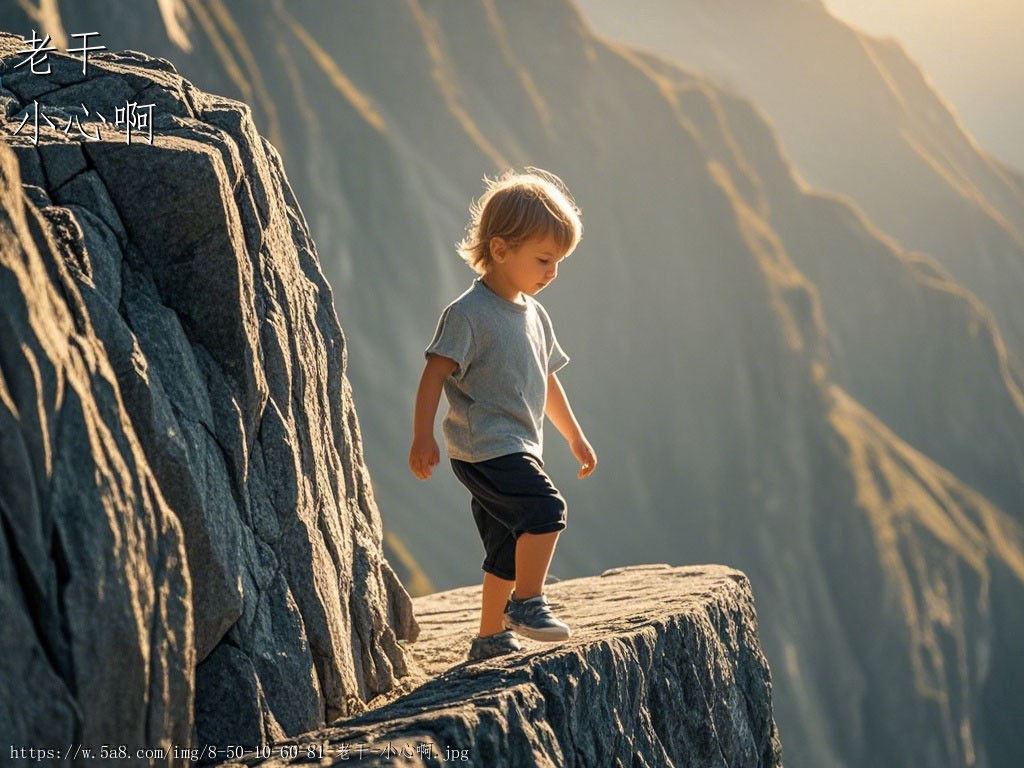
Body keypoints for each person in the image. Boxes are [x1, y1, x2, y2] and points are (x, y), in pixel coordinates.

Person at [409, 168, 597, 662]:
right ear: (499, 249)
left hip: (514, 445)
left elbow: (547, 378)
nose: (551, 272)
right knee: (545, 511)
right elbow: (435, 373)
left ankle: (490, 637)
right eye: (543, 259)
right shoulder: (469, 314)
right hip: (484, 447)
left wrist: (574, 436)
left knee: (504, 549)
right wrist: (422, 437)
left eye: (558, 261)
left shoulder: (534, 314)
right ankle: (528, 603)